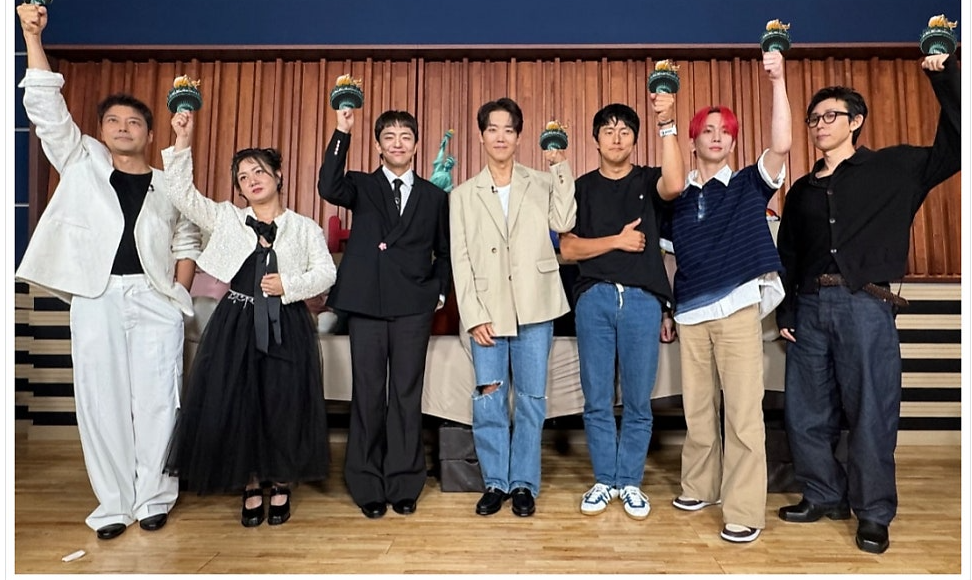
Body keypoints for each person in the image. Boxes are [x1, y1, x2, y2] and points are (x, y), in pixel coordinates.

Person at [14, 3, 202, 541]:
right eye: (114, 122)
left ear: (148, 132)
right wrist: (32, 37)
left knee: (158, 400)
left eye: (134, 122)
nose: (124, 128)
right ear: (101, 131)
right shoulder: (82, 162)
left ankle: (154, 497)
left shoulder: (169, 185)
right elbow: (47, 109)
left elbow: (188, 240)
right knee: (101, 401)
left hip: (154, 298)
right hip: (96, 297)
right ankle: (115, 504)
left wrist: (177, 295)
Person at [775, 53, 959, 554]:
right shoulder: (802, 191)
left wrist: (945, 76)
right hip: (809, 307)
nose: (819, 125)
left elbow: (957, 144)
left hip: (866, 304)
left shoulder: (895, 167)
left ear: (856, 121)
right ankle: (822, 494)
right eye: (813, 119)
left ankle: (874, 513)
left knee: (872, 411)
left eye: (830, 116)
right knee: (807, 412)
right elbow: (788, 255)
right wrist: (787, 310)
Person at [162, 111, 336, 527]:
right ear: (238, 189)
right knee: (239, 401)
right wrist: (182, 140)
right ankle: (251, 481)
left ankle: (281, 479)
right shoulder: (227, 218)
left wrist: (288, 284)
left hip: (286, 323)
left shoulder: (304, 228)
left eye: (259, 171)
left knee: (282, 400)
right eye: (242, 177)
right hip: (236, 321)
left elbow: (327, 272)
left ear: (278, 175)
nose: (252, 180)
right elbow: (181, 194)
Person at [668, 51, 790, 543]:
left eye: (725, 131)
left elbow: (781, 144)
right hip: (690, 312)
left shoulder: (747, 185)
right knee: (697, 410)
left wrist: (778, 81)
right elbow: (671, 260)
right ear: (694, 140)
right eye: (708, 130)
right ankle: (701, 486)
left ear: (734, 141)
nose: (717, 136)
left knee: (742, 413)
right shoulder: (677, 197)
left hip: (738, 306)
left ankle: (744, 511)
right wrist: (669, 309)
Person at [318, 108, 451, 519]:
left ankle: (405, 482)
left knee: (406, 395)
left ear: (416, 145)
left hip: (413, 305)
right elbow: (328, 185)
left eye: (405, 136)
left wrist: (438, 292)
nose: (397, 143)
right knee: (368, 394)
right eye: (389, 136)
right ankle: (366, 482)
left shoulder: (434, 196)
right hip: (367, 303)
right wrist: (342, 130)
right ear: (378, 145)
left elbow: (445, 252)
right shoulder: (361, 185)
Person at [451, 97, 576, 517]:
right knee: (489, 397)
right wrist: (473, 315)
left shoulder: (541, 182)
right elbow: (460, 260)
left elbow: (565, 222)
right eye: (493, 129)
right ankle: (495, 482)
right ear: (481, 136)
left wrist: (560, 166)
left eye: (508, 129)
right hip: (487, 310)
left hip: (535, 306)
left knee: (531, 398)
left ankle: (523, 482)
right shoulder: (463, 195)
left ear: (519, 137)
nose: (500, 136)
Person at [559, 97, 682, 521]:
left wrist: (666, 122)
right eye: (608, 131)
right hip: (593, 298)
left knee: (637, 401)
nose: (616, 138)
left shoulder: (648, 180)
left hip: (643, 301)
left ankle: (629, 482)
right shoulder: (581, 187)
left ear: (635, 140)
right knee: (596, 398)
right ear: (595, 140)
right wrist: (617, 241)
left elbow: (676, 185)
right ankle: (603, 480)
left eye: (625, 131)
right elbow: (568, 249)